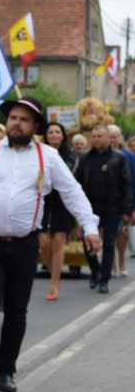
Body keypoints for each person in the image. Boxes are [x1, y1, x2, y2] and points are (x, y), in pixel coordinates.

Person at [0, 97, 100, 392]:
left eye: (24, 119)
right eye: (13, 117)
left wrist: (89, 227)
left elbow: (73, 192)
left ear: (35, 126)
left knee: (16, 309)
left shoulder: (48, 157)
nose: (16, 123)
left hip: (25, 243)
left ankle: (5, 370)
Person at [74, 125, 132, 294]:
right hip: (90, 208)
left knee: (108, 244)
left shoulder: (118, 158)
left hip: (112, 208)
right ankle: (95, 270)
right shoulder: (86, 157)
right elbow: (76, 181)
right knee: (88, 244)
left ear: (107, 138)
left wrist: (127, 209)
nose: (96, 139)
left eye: (100, 136)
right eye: (94, 136)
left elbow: (127, 183)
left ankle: (104, 279)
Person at [38, 122, 75, 301]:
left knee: (58, 241)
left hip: (62, 203)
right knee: (44, 243)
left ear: (62, 135)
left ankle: (54, 282)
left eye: (57, 132)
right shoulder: (39, 153)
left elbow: (64, 172)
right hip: (43, 202)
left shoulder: (69, 154)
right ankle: (54, 271)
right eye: (50, 132)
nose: (54, 135)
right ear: (46, 135)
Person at [107, 125, 135, 277]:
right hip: (106, 203)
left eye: (115, 136)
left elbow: (133, 181)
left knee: (122, 233)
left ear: (120, 139)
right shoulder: (103, 155)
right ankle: (110, 264)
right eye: (110, 136)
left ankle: (122, 260)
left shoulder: (128, 156)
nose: (113, 139)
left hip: (123, 202)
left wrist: (131, 206)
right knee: (108, 235)